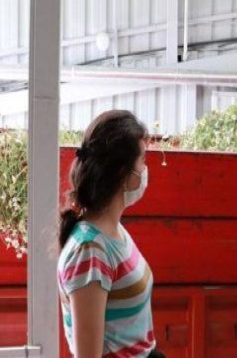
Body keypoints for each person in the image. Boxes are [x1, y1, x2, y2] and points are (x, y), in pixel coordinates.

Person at [57, 110, 164, 358]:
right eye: (143, 160)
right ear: (123, 174)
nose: (146, 169)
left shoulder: (114, 232)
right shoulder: (90, 251)